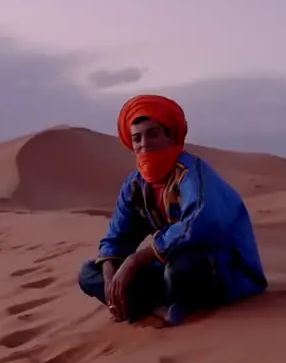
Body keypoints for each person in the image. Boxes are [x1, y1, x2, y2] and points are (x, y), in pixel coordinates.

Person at [77, 94, 268, 326]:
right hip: (167, 265)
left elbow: (196, 226)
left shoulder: (193, 174)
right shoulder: (136, 185)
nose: (144, 143)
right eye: (137, 138)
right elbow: (117, 236)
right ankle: (142, 307)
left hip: (224, 269)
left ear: (170, 136)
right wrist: (110, 276)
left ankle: (174, 310)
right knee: (89, 272)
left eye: (153, 133)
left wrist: (136, 260)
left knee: (180, 268)